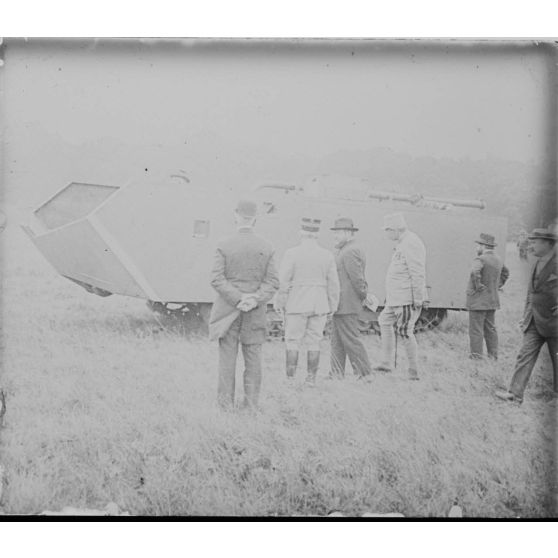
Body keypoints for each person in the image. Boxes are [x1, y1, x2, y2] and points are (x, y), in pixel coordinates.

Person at [208, 199, 279, 410]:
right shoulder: (267, 246)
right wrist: (254, 298)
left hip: (228, 311)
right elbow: (273, 282)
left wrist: (238, 298)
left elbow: (216, 279)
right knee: (253, 359)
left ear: (235, 216)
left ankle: (224, 407)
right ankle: (251, 407)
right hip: (255, 312)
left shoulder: (224, 244)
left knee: (227, 360)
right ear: (255, 218)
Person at [495, 227, 558, 404]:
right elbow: (532, 293)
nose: (531, 246)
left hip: (554, 323)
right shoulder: (537, 262)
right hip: (534, 320)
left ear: (547, 243)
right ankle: (514, 394)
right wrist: (525, 316)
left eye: (535, 242)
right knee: (524, 355)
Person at [274, 217, 340, 384]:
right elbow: (334, 284)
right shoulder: (327, 255)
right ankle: (311, 380)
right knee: (314, 342)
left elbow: (283, 282)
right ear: (317, 235)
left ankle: (290, 379)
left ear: (300, 233)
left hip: (297, 303)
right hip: (319, 304)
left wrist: (279, 302)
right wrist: (332, 305)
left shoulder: (292, 253)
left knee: (293, 341)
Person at [374, 213, 427, 380]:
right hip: (395, 298)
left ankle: (413, 372)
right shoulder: (402, 242)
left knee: (405, 332)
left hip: (405, 298)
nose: (386, 234)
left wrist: (418, 298)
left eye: (387, 230)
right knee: (384, 321)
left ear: (396, 230)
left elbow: (417, 272)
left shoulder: (411, 243)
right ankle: (386, 362)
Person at [329, 217, 373, 379]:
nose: (335, 236)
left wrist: (363, 295)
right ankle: (336, 372)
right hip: (341, 303)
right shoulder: (346, 249)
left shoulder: (350, 251)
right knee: (337, 340)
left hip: (347, 304)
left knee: (351, 340)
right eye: (335, 233)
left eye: (338, 233)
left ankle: (365, 373)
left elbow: (357, 279)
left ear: (348, 233)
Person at [466, 233, 509, 360]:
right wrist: (497, 286)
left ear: (483, 246)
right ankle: (493, 356)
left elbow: (474, 271)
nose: (476, 248)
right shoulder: (498, 259)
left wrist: (478, 285)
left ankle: (476, 357)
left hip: (478, 301)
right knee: (490, 329)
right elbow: (506, 273)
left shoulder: (480, 259)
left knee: (476, 330)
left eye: (478, 245)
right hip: (492, 300)